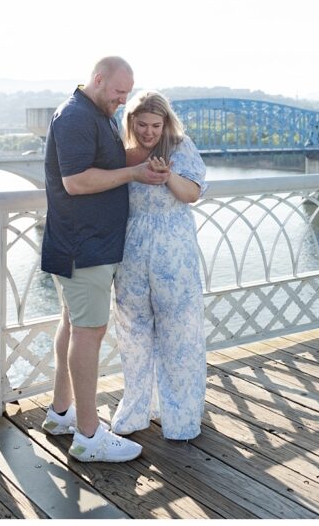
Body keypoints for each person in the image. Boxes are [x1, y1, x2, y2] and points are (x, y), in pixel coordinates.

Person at [39, 56, 169, 463]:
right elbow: (76, 182)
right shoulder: (77, 117)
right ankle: (90, 437)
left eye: (127, 93)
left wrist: (153, 156)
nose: (123, 100)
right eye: (118, 92)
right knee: (89, 333)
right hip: (84, 246)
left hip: (83, 244)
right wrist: (134, 176)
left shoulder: (96, 113)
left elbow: (106, 163)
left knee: (73, 325)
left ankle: (62, 413)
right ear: (97, 80)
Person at [111, 90, 207, 440]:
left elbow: (192, 194)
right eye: (142, 125)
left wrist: (167, 176)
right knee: (132, 331)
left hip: (173, 247)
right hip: (132, 248)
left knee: (179, 332)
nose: (149, 132)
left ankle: (180, 417)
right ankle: (137, 410)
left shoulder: (180, 147)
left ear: (166, 123)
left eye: (155, 125)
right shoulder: (122, 154)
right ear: (131, 122)